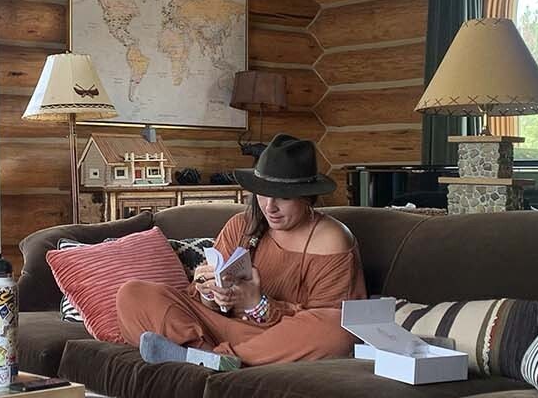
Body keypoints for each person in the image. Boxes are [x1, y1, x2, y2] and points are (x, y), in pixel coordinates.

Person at [116, 134, 366, 370]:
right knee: (132, 294)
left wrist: (257, 304)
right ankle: (201, 356)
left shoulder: (331, 238)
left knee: (337, 331)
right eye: (263, 193)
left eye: (283, 197)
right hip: (218, 328)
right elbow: (201, 301)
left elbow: (326, 321)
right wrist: (209, 292)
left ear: (307, 196)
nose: (270, 207)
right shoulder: (241, 225)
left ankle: (212, 359)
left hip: (274, 339)